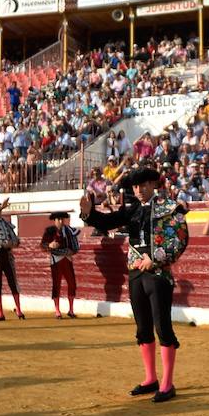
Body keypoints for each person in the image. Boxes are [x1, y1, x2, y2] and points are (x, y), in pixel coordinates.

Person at [80, 168, 189, 403]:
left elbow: (180, 239)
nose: (138, 190)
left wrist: (156, 258)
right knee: (143, 328)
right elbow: (109, 221)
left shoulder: (171, 208)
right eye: (135, 187)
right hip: (136, 274)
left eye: (143, 185)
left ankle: (168, 384)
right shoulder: (132, 210)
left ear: (153, 184)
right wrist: (89, 214)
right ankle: (151, 379)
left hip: (158, 274)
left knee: (163, 329)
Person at [40, 210, 80, 319]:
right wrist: (50, 245)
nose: (61, 221)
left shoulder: (69, 230)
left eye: (62, 219)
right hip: (56, 260)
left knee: (72, 283)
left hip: (67, 258)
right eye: (58, 219)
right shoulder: (50, 231)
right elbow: (42, 245)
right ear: (54, 220)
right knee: (56, 285)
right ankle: (57, 310)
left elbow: (75, 246)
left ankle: (71, 310)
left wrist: (72, 251)